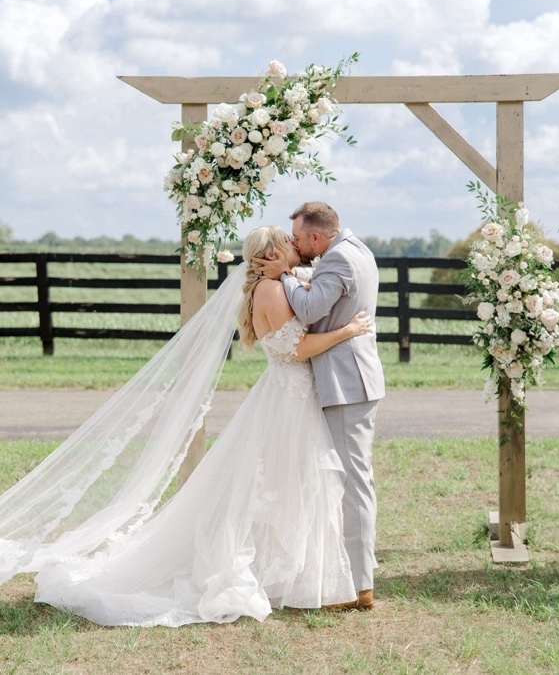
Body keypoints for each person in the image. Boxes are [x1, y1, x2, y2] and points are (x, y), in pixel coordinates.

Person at [0, 225, 373, 626]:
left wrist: (289, 272)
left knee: (287, 485)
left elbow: (303, 292)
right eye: (288, 242)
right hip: (290, 397)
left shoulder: (277, 284)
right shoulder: (272, 291)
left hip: (291, 396)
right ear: (274, 251)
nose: (295, 247)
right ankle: (280, 572)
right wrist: (347, 331)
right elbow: (297, 350)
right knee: (280, 484)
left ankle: (293, 571)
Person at [254, 202, 385, 611]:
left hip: (347, 384)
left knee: (352, 482)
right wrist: (292, 274)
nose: (294, 243)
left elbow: (310, 309)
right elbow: (321, 288)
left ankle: (360, 586)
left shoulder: (340, 259)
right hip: (347, 380)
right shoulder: (354, 248)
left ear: (315, 237)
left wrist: (282, 276)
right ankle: (341, 575)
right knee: (344, 480)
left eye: (297, 238)